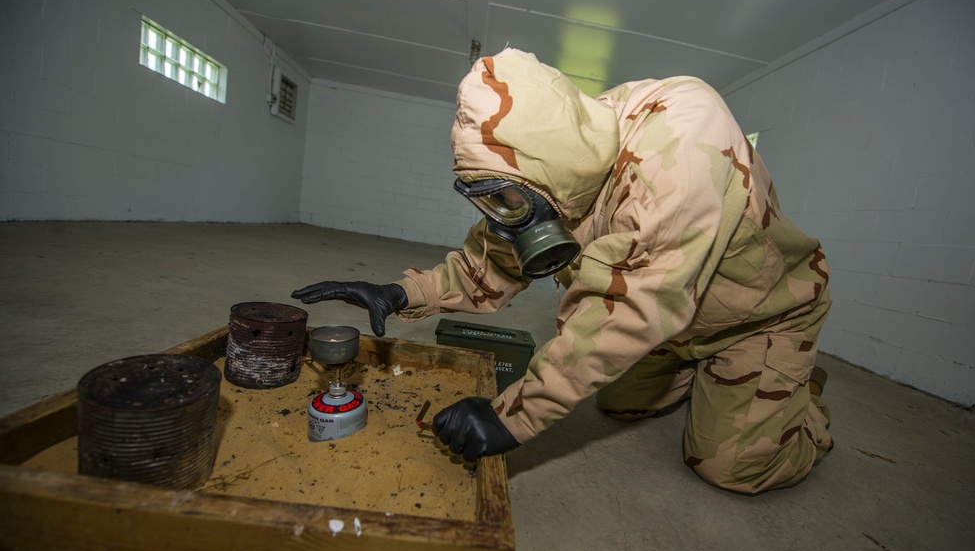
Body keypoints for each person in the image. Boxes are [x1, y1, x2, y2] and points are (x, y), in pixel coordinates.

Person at [293, 48, 833, 494]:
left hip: (756, 318)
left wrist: (512, 416)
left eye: (506, 197)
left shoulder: (683, 148)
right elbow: (493, 265)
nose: (504, 215)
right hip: (679, 322)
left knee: (728, 468)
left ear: (544, 173)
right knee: (616, 404)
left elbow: (625, 307)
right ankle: (705, 377)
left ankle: (797, 401)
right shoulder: (563, 159)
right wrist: (400, 291)